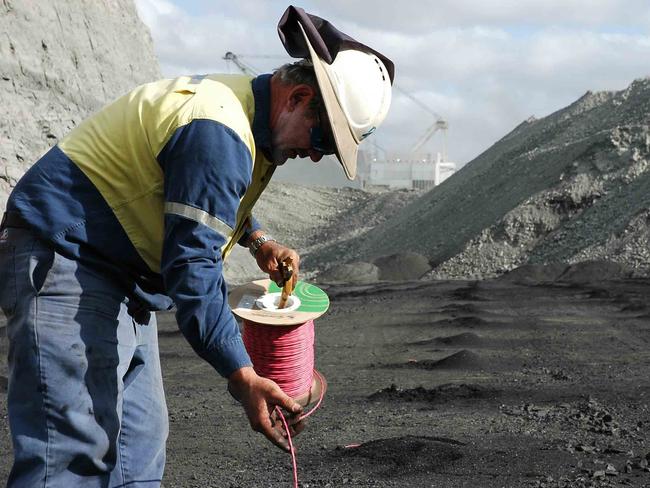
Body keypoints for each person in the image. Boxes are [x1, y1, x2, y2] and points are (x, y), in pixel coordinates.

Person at [0, 6, 394, 487]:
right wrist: (241, 374)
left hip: (119, 273)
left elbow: (200, 191)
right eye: (322, 139)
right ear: (298, 96)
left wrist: (258, 239)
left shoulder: (242, 117)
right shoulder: (218, 130)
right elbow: (192, 264)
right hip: (67, 256)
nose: (314, 154)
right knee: (72, 454)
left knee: (137, 451)